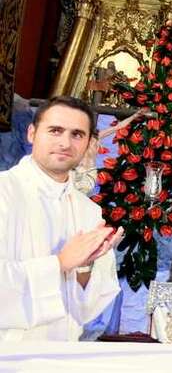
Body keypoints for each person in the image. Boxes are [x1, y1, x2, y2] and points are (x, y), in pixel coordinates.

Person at [0, 96, 123, 341]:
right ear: (32, 134)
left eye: (77, 134)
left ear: (89, 144)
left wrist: (86, 266)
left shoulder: (89, 211)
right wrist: (60, 263)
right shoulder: (4, 191)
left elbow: (86, 312)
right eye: (55, 130)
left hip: (63, 349)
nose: (65, 143)